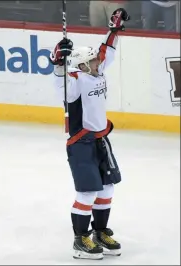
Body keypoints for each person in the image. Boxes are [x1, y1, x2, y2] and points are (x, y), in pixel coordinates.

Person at [49, 8, 130, 260]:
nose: (99, 61)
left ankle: (100, 231)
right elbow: (60, 82)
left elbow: (108, 50)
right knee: (87, 193)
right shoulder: (74, 81)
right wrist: (57, 61)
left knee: (106, 189)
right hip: (80, 143)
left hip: (100, 140)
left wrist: (113, 29)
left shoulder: (98, 70)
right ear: (82, 65)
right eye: (93, 60)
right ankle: (79, 240)